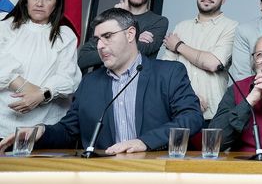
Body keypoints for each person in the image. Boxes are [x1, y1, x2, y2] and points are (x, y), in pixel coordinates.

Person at [0, 8, 202, 154]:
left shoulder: (169, 73)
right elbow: (69, 130)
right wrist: (40, 131)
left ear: (130, 34)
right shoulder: (89, 83)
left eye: (107, 36)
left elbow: (191, 117)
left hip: (156, 170)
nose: (100, 45)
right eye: (97, 39)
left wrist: (144, 142)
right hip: (105, 173)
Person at [0, 0, 81, 138]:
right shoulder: (4, 25)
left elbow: (68, 79)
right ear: (25, 0)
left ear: (56, 3)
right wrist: (32, 92)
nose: (39, 3)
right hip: (2, 122)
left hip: (41, 127)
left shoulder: (65, 36)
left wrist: (40, 95)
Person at [160, 0, 237, 126]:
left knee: (210, 151)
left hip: (213, 113)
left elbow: (212, 63)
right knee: (175, 151)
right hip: (179, 111)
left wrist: (178, 46)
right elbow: (166, 71)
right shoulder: (181, 27)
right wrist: (190, 98)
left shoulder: (232, 27)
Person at [77, 0, 168, 71]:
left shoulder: (159, 22)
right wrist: (135, 39)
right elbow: (83, 58)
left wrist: (123, 17)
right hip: (101, 83)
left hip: (133, 85)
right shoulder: (109, 17)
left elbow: (142, 49)